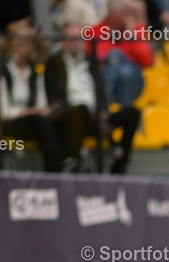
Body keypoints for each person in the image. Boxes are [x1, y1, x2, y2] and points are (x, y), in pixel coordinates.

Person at [46, 20, 141, 174]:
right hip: (72, 116)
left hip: (97, 116)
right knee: (81, 110)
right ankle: (75, 161)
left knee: (132, 113)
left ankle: (119, 163)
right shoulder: (54, 63)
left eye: (80, 38)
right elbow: (55, 96)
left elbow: (101, 92)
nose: (77, 43)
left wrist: (103, 112)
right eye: (72, 38)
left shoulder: (90, 62)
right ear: (63, 41)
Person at [0, 27, 74, 173]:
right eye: (19, 43)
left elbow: (41, 104)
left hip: (34, 120)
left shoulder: (35, 73)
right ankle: (57, 167)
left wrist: (47, 111)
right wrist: (28, 112)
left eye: (27, 43)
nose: (23, 47)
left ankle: (71, 160)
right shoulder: (2, 72)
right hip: (11, 122)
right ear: (11, 45)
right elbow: (4, 112)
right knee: (39, 121)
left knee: (60, 118)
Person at [86, 0, 153, 106]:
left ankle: (104, 99)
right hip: (108, 76)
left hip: (136, 80)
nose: (129, 17)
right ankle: (123, 111)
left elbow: (148, 61)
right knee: (124, 72)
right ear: (113, 14)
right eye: (126, 13)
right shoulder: (95, 31)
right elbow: (99, 59)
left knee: (117, 57)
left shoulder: (137, 29)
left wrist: (131, 37)